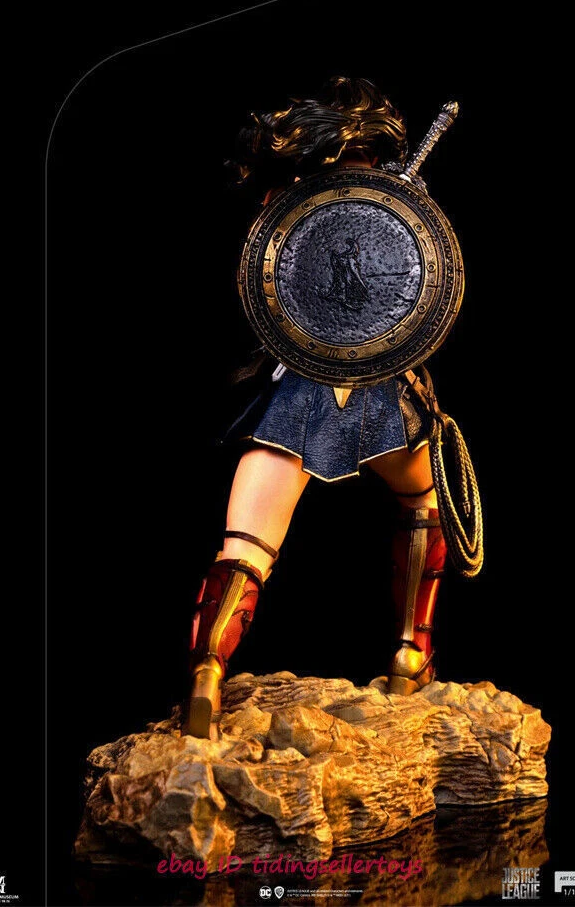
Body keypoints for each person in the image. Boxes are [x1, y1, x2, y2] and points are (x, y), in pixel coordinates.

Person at [185, 77, 449, 740]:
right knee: (423, 500)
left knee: (246, 545)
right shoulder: (388, 203)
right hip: (381, 400)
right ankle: (411, 650)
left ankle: (206, 669)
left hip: (297, 400)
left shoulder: (284, 208)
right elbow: (415, 284)